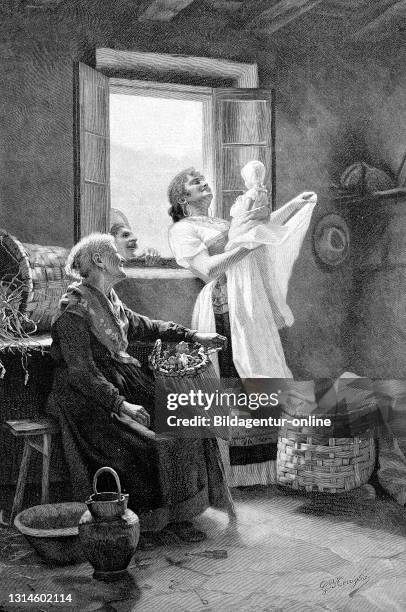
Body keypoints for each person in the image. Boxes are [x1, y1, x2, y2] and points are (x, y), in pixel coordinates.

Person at [46, 233, 228, 547]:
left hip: (122, 381)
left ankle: (180, 515)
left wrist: (195, 336)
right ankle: (150, 522)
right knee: (145, 444)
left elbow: (145, 325)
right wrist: (121, 405)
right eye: (115, 253)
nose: (123, 256)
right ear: (100, 261)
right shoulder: (74, 308)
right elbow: (82, 373)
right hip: (90, 399)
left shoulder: (110, 301)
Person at [167, 167, 315, 486]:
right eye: (195, 183)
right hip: (223, 303)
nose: (204, 183)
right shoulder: (183, 230)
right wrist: (247, 246)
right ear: (183, 198)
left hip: (249, 303)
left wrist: (294, 205)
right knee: (232, 381)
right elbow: (207, 268)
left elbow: (259, 226)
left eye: (204, 179)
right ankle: (233, 475)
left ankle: (270, 468)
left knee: (262, 373)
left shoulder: (220, 222)